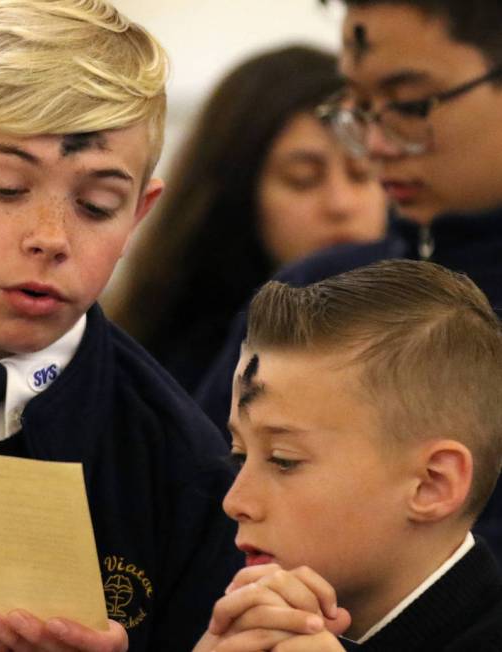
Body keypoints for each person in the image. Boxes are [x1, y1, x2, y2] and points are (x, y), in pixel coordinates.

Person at [0, 2, 242, 651]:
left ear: (139, 214)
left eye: (96, 205)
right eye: (7, 187)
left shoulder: (183, 468)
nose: (50, 238)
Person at [195, 0, 502, 561]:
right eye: (359, 107)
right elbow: (192, 513)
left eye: (409, 104)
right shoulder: (317, 288)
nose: (378, 145)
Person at [195, 260, 502, 651]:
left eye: (284, 459)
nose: (235, 502)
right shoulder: (234, 616)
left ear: (431, 484)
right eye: (239, 455)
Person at [103, 45, 387, 394]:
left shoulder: (443, 331)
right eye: (302, 178)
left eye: (362, 173)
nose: (341, 204)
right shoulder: (161, 371)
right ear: (237, 193)